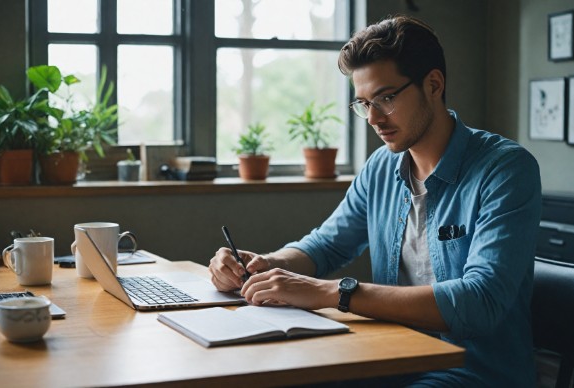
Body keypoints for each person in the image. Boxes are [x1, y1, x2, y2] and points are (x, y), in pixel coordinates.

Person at [209, 15, 541, 387]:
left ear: (433, 84)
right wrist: (265, 265)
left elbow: (480, 302)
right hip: (391, 355)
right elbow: (326, 246)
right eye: (364, 103)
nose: (373, 119)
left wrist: (331, 292)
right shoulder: (382, 166)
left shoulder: (506, 169)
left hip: (475, 372)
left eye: (385, 98)